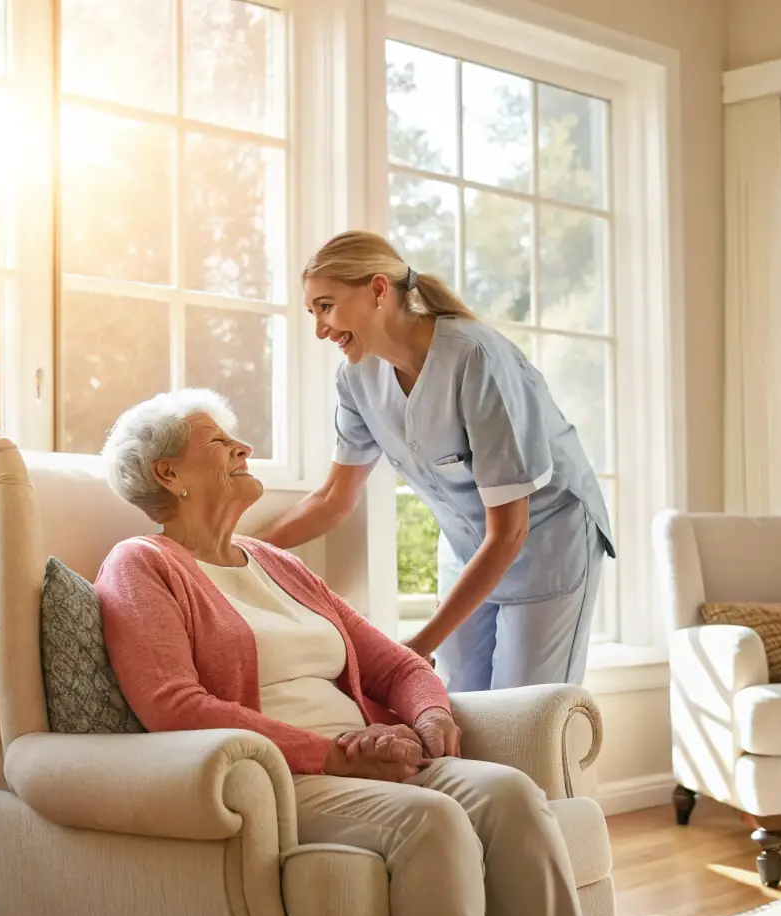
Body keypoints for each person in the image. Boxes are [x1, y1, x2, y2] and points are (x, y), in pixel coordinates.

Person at [93, 388, 610, 916]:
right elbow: (174, 706)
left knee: (510, 793)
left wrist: (430, 718)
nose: (243, 448)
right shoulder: (141, 565)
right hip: (284, 776)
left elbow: (396, 663)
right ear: (167, 473)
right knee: (431, 823)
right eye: (218, 443)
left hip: (378, 756)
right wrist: (335, 754)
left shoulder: (277, 564)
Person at [256, 230, 615, 693]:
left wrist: (418, 644)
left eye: (326, 306)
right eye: (312, 312)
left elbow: (509, 531)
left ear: (378, 290)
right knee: (464, 702)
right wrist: (239, 553)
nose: (320, 328)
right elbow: (332, 499)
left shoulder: (475, 357)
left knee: (526, 714)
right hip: (468, 546)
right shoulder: (356, 379)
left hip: (546, 542)